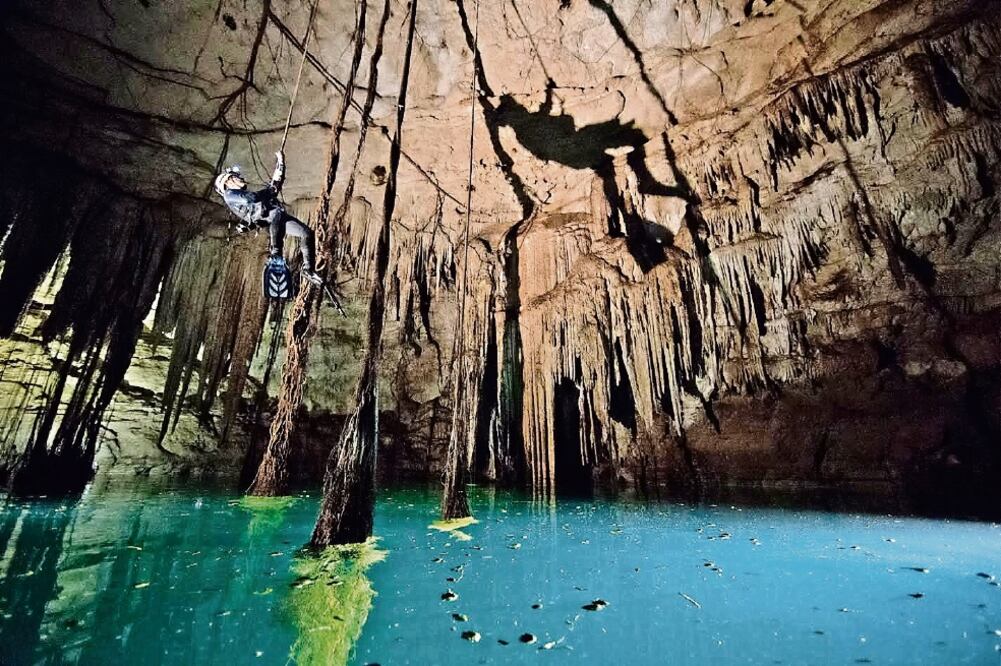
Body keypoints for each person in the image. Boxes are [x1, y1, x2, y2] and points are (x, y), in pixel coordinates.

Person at [214, 151, 324, 287]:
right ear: (227, 181)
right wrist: (269, 191)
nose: (240, 178)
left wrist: (281, 163)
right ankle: (276, 253)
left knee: (306, 233)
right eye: (236, 177)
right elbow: (252, 198)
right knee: (276, 213)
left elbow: (275, 186)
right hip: (268, 217)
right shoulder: (229, 194)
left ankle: (308, 268)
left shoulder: (238, 193)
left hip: (275, 217)